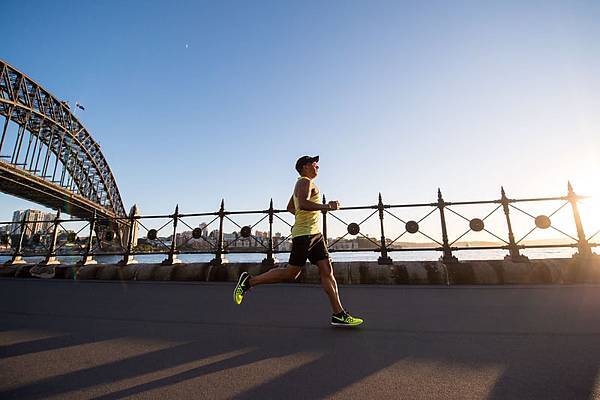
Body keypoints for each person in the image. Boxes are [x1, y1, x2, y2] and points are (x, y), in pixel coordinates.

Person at [233, 155, 364, 327]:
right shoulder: (304, 182)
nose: (317, 166)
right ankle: (249, 281)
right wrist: (327, 207)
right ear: (304, 166)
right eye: (314, 163)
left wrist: (304, 219)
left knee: (327, 270)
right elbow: (302, 204)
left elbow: (291, 207)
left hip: (315, 235)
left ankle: (338, 314)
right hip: (304, 236)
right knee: (291, 273)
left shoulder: (305, 183)